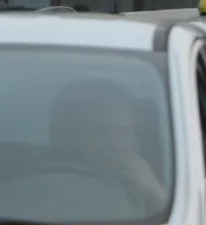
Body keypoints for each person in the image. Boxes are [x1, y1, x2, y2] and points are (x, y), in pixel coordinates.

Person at [50, 79, 168, 209]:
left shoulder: (148, 184)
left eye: (122, 132)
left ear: (136, 139)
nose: (113, 142)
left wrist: (153, 189)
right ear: (78, 136)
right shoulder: (54, 179)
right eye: (99, 131)